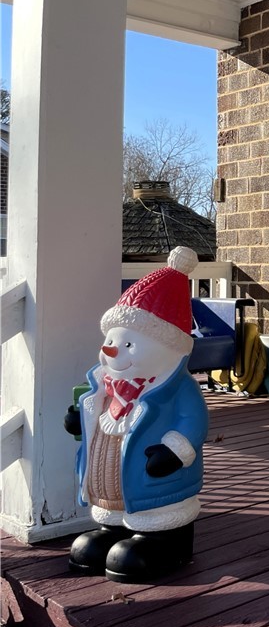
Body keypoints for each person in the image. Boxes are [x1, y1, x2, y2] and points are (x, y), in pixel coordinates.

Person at [65, 247, 208, 583]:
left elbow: (194, 421)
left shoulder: (177, 387)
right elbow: (92, 412)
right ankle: (113, 528)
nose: (111, 349)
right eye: (112, 339)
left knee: (158, 514)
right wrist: (77, 419)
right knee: (110, 514)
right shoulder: (104, 384)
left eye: (128, 344)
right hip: (110, 478)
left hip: (158, 481)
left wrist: (175, 450)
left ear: (169, 347)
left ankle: (165, 539)